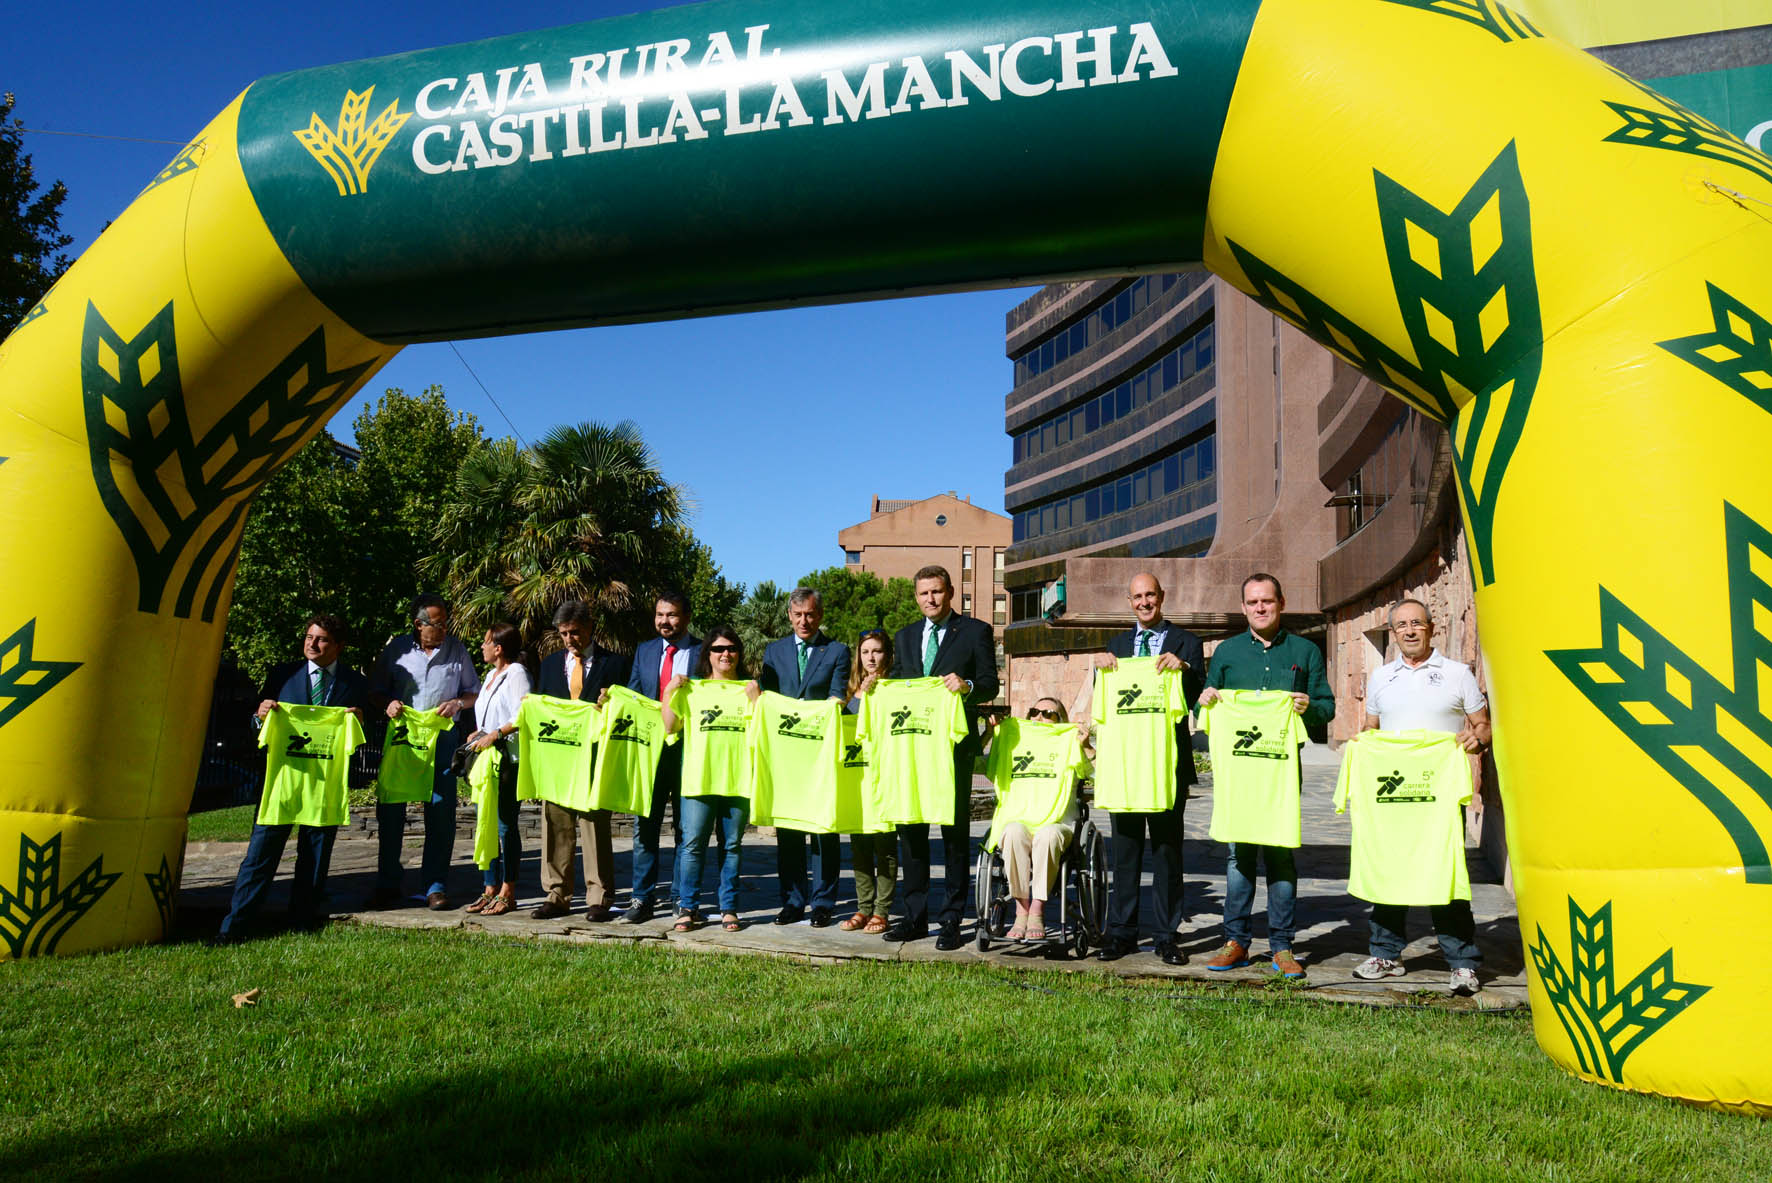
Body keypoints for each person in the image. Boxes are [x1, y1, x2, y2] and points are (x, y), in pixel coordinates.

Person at [1198, 573, 1333, 978]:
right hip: (1240, 778)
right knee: (1239, 856)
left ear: (1281, 602)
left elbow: (1326, 708)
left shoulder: (1306, 651)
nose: (1260, 608)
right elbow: (1208, 701)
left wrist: (1310, 706)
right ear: (1243, 608)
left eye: (1267, 601)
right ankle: (1236, 940)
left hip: (1280, 777)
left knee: (1280, 857)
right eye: (1253, 602)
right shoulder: (1226, 651)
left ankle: (1282, 946)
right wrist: (1205, 697)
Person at [1355, 598, 1491, 994]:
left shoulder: (1457, 674)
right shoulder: (1381, 677)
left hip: (1438, 793)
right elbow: (1371, 726)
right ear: (1393, 632)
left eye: (1417, 623)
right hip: (1391, 794)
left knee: (1444, 872)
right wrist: (1362, 745)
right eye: (1401, 626)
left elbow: (1483, 726)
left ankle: (1463, 962)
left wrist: (1475, 739)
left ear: (1432, 628)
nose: (1410, 631)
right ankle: (1385, 953)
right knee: (1388, 867)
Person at [215, 615, 367, 942]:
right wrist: (260, 716)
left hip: (323, 784)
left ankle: (301, 922)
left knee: (314, 857)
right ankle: (235, 927)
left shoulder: (354, 684)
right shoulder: (282, 675)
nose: (312, 644)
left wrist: (358, 721)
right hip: (281, 782)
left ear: (338, 646)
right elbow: (256, 727)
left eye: (322, 639)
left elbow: (364, 735)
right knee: (260, 855)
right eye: (309, 636)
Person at [886, 565, 999, 950]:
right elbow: (900, 684)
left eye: (936, 592)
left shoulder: (975, 631)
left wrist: (966, 685)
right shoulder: (904, 637)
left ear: (951, 592)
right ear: (916, 597)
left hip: (953, 746)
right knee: (911, 829)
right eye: (923, 594)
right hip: (912, 747)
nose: (930, 599)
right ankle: (915, 918)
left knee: (953, 833)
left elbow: (989, 681)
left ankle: (952, 918)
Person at [1094, 572, 1205, 965]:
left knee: (1167, 854)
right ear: (1129, 601)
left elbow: (1195, 700)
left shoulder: (1187, 642)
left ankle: (1166, 936)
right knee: (1124, 855)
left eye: (1150, 595)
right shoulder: (1117, 646)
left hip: (1166, 766)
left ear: (1162, 597)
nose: (1144, 602)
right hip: (1125, 767)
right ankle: (1121, 933)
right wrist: (1100, 669)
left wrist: (1185, 667)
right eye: (1137, 596)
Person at [371, 595, 481, 910]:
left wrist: (458, 703)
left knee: (441, 811)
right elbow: (376, 691)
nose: (445, 628)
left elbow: (474, 691)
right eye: (438, 623)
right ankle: (387, 883)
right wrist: (388, 703)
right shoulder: (397, 650)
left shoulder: (457, 649)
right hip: (404, 738)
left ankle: (435, 886)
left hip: (442, 738)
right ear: (419, 624)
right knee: (391, 811)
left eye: (447, 622)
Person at [531, 600, 631, 920]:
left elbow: (627, 710)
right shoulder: (548, 665)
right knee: (555, 826)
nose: (569, 639)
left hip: (593, 759)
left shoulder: (615, 664)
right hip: (558, 760)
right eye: (563, 634)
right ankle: (556, 893)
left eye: (575, 632)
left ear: (590, 627)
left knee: (593, 828)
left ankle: (598, 897)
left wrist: (611, 703)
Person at [757, 588, 851, 927]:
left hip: (820, 758)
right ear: (789, 616)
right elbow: (767, 698)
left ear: (820, 615)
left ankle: (823, 902)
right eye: (797, 615)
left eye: (810, 614)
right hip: (785, 757)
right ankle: (793, 901)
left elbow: (838, 694)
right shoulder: (774, 651)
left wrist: (834, 703)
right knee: (789, 834)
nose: (804, 621)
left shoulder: (837, 651)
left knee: (824, 833)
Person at [663, 626, 753, 933]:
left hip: (738, 780)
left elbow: (763, 733)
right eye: (718, 649)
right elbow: (670, 726)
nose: (725, 653)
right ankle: (687, 907)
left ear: (739, 653)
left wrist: (757, 700)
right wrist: (669, 692)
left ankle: (729, 908)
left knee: (732, 846)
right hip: (698, 780)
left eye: (731, 648)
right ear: (708, 655)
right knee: (692, 846)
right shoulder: (693, 689)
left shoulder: (750, 690)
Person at [620, 591, 701, 922]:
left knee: (686, 828)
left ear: (686, 617)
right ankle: (641, 899)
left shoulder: (704, 651)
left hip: (689, 750)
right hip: (650, 752)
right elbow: (635, 694)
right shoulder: (645, 650)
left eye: (671, 615)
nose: (664, 621)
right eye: (659, 615)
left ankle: (680, 899)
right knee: (645, 828)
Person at [989, 698, 1089, 942]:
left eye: (1048, 714)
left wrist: (1085, 746)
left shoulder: (1068, 740)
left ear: (1061, 721)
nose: (1039, 717)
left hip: (1057, 822)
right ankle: (1021, 908)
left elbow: (1089, 771)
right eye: (1034, 712)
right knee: (1011, 831)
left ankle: (1037, 909)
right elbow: (988, 769)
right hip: (1020, 820)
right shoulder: (1014, 739)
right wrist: (992, 735)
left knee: (1048, 834)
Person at [460, 622, 532, 916]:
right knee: (485, 822)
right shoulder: (490, 675)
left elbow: (523, 714)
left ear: (498, 647)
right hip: (485, 758)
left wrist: (496, 734)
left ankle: (508, 889)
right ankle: (488, 888)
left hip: (507, 760)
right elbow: (488, 715)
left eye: (486, 642)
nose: (482, 647)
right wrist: (479, 733)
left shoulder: (517, 673)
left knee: (505, 824)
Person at [841, 628, 897, 934]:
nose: (871, 657)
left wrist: (876, 691)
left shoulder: (895, 687)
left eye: (876, 651)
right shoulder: (851, 690)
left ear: (886, 654)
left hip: (885, 778)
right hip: (856, 777)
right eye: (865, 652)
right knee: (859, 846)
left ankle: (882, 910)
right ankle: (863, 907)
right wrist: (861, 693)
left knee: (885, 846)